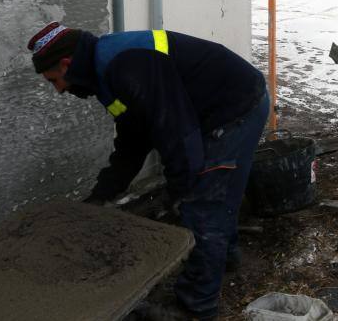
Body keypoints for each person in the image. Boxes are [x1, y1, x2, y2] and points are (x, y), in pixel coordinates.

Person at [27, 22, 268, 320]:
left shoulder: (127, 65)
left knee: (202, 204)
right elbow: (132, 139)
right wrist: (102, 195)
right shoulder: (104, 73)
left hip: (237, 106)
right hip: (217, 106)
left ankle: (195, 307)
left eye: (54, 81)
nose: (59, 90)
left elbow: (178, 134)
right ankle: (223, 258)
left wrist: (180, 193)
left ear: (66, 64)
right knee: (216, 193)